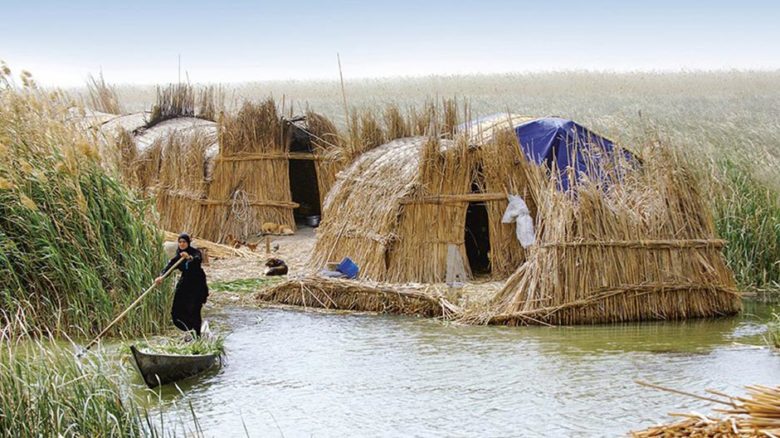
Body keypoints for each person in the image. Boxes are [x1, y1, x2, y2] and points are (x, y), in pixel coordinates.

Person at [155, 233, 208, 338]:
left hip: (197, 284)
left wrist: (188, 257)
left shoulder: (195, 252)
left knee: (194, 309)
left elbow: (197, 259)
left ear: (188, 243)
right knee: (176, 311)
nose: (182, 244)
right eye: (180, 242)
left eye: (184, 242)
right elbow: (170, 266)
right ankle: (190, 330)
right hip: (185, 283)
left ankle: (197, 335)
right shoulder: (178, 255)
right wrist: (161, 277)